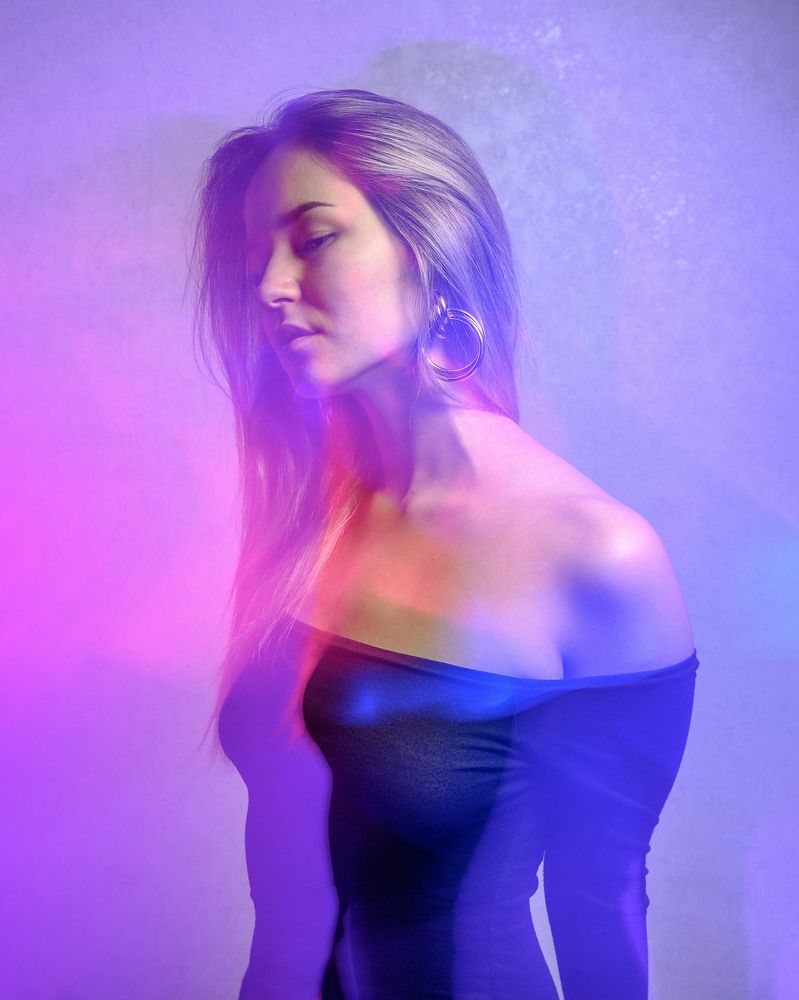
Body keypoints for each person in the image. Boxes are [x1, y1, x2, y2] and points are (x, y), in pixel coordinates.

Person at [190, 88, 699, 999]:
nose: (268, 287)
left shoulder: (596, 556)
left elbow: (601, 906)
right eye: (257, 256)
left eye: (314, 238)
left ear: (429, 249)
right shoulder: (310, 510)